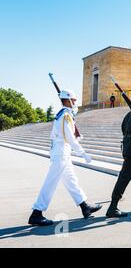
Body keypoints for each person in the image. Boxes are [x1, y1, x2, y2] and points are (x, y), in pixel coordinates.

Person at [28, 89, 102, 226]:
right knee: (50, 182)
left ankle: (85, 207)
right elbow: (69, 138)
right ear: (67, 100)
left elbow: (67, 135)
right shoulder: (65, 115)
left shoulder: (66, 114)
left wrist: (76, 136)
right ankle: (36, 213)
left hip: (62, 151)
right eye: (73, 100)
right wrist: (82, 152)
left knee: (71, 180)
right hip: (61, 151)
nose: (75, 103)